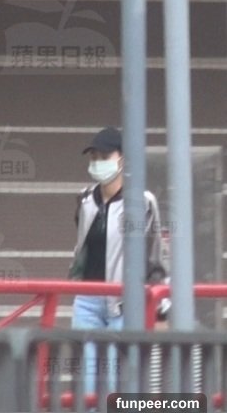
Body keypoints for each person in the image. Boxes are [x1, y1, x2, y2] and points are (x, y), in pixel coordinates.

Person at [69, 127, 166, 395]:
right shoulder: (85, 199)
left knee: (113, 380)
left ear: (122, 158)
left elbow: (155, 255)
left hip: (122, 302)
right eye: (93, 157)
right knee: (87, 382)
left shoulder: (142, 202)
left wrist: (161, 309)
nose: (97, 163)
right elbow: (82, 244)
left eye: (104, 156)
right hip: (87, 299)